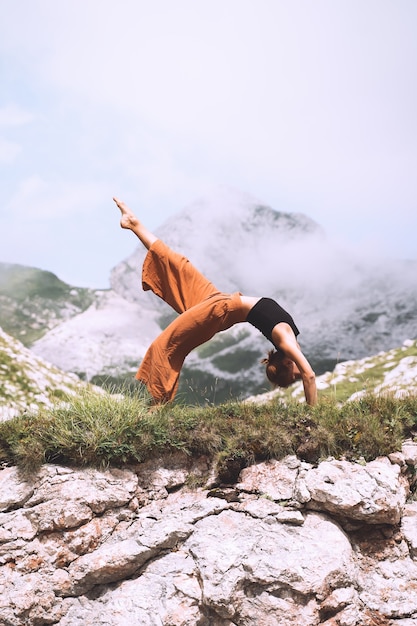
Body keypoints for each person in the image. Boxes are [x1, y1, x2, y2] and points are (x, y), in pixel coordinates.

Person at [113, 197, 317, 406]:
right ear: (287, 362)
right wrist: (313, 417)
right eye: (296, 375)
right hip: (221, 305)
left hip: (222, 309)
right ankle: (133, 224)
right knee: (179, 267)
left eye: (295, 375)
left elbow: (307, 375)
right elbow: (310, 376)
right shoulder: (287, 342)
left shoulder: (286, 344)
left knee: (170, 342)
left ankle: (158, 403)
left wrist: (298, 381)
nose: (300, 373)